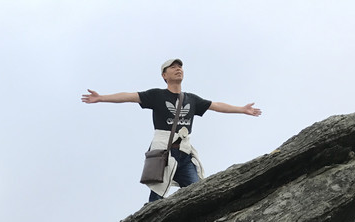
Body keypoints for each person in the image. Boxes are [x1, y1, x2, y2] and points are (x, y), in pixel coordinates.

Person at [81, 58, 262, 202]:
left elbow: (216, 105)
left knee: (198, 192)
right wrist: (102, 98)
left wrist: (241, 109)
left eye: (180, 67)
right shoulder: (157, 95)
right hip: (164, 153)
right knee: (157, 196)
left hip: (184, 154)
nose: (178, 69)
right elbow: (129, 96)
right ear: (164, 75)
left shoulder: (191, 99)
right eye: (173, 67)